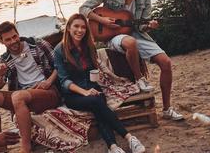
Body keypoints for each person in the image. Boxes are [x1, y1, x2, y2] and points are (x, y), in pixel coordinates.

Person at [79, 0, 183, 121]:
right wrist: (102, 21)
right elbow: (83, 8)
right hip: (114, 36)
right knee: (130, 42)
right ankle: (139, 79)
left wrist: (149, 26)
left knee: (166, 63)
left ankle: (167, 109)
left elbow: (141, 26)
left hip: (137, 34)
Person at [54, 13, 146, 153]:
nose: (80, 30)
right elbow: (64, 81)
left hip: (92, 88)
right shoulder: (59, 50)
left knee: (99, 106)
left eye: (83, 27)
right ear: (68, 28)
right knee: (97, 102)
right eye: (76, 26)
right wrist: (85, 92)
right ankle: (129, 137)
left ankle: (113, 147)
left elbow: (92, 71)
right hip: (73, 95)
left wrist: (95, 80)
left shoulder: (88, 46)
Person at [0, 21, 61, 153]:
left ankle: (26, 146)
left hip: (47, 91)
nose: (13, 41)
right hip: (22, 98)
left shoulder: (37, 44)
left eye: (14, 37)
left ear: (18, 34)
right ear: (2, 42)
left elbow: (60, 65)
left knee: (18, 96)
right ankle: (0, 144)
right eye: (8, 39)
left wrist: (49, 82)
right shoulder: (5, 59)